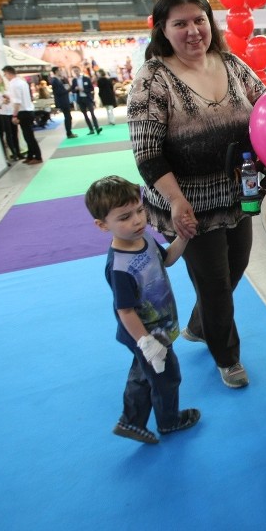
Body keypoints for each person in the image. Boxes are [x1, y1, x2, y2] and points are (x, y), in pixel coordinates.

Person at [127, 0, 266, 389]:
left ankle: (199, 324)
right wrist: (175, 200)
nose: (193, 31)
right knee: (216, 283)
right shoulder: (152, 78)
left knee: (236, 267)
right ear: (163, 30)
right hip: (187, 204)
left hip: (241, 194)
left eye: (199, 19)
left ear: (211, 21)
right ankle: (228, 357)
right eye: (180, 23)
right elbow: (146, 152)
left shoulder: (234, 64)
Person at [85, 175, 200, 444]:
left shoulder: (145, 239)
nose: (137, 220)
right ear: (103, 225)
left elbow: (167, 259)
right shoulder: (120, 267)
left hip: (158, 327)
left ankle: (131, 422)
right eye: (124, 217)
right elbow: (125, 311)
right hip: (146, 335)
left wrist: (182, 238)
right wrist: (146, 343)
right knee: (166, 378)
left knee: (142, 375)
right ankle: (169, 422)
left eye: (139, 210)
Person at [2, 65, 43, 165]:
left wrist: (14, 115)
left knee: (28, 136)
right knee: (27, 135)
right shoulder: (22, 82)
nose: (5, 76)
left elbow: (17, 102)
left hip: (23, 112)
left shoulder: (14, 84)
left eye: (5, 74)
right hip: (28, 111)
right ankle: (30, 155)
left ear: (8, 73)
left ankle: (37, 156)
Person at [0, 71, 22, 160]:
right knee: (8, 134)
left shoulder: (7, 88)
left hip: (11, 112)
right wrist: (2, 102)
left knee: (15, 133)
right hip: (2, 114)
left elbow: (14, 100)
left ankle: (18, 152)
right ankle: (13, 153)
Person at [71, 66, 102, 135]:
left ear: (79, 70)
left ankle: (97, 128)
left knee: (92, 113)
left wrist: (84, 90)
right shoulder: (74, 80)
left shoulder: (86, 78)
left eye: (77, 70)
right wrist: (75, 89)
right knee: (85, 115)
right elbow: (72, 90)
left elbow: (91, 88)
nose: (76, 72)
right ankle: (91, 129)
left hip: (87, 98)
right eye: (74, 71)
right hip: (80, 99)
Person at [50, 66, 77, 138]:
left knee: (68, 116)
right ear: (56, 71)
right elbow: (58, 92)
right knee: (68, 116)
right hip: (62, 101)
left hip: (65, 99)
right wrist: (68, 90)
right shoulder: (54, 81)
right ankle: (69, 132)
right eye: (59, 70)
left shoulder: (60, 80)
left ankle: (69, 132)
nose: (61, 72)